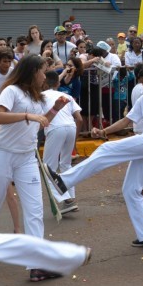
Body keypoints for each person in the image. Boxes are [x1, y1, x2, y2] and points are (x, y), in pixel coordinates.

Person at [48, 62, 143, 247]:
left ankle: (64, 181)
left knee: (106, 150)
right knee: (130, 190)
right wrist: (104, 132)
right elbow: (125, 121)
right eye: (142, 83)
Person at [0, 55, 64, 271]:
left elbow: (37, 125)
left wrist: (55, 109)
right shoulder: (12, 91)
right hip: (2, 154)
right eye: (43, 70)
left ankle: (36, 263)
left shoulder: (38, 98)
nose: (45, 75)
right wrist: (27, 116)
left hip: (26, 158)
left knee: (34, 209)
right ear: (32, 72)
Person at [42, 70, 83, 208]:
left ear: (44, 83)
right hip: (71, 127)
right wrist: (75, 140)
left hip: (55, 127)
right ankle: (71, 196)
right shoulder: (66, 95)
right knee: (66, 164)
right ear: (58, 83)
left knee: (48, 166)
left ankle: (64, 197)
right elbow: (79, 119)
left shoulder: (41, 96)